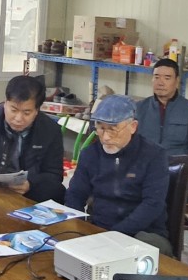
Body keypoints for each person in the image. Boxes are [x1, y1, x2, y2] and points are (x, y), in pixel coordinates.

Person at [65, 94, 172, 255]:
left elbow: (152, 204)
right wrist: (78, 227)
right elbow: (75, 194)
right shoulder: (90, 154)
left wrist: (115, 235)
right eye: (100, 128)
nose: (106, 137)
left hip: (142, 232)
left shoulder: (153, 155)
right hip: (100, 229)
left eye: (113, 130)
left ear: (133, 126)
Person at [0, 75, 65, 202]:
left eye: (26, 113)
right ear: (5, 103)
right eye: (14, 110)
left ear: (37, 110)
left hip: (29, 193)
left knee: (59, 191)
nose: (18, 118)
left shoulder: (50, 130)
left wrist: (30, 184)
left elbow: (54, 175)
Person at [135, 58, 188, 193]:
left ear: (177, 81)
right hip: (143, 173)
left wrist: (186, 170)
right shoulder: (139, 108)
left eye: (167, 78)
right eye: (156, 77)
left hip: (177, 176)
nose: (160, 82)